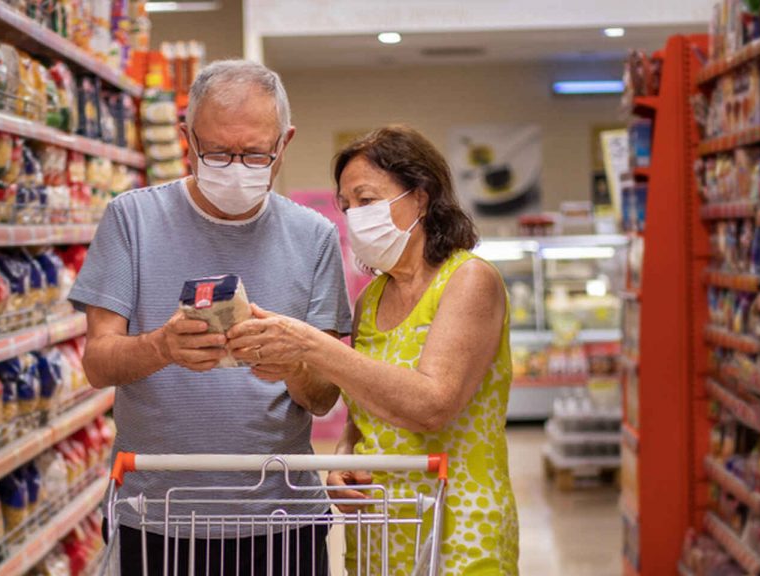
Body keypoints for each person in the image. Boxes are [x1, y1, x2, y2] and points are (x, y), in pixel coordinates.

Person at [69, 60, 351, 575]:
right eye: (217, 152)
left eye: (255, 154)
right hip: (157, 514)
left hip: (282, 516)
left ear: (284, 144)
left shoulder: (315, 237)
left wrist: (293, 362)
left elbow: (323, 395)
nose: (236, 167)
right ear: (186, 139)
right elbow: (98, 363)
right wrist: (161, 348)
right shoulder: (131, 220)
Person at [227, 125, 519, 575]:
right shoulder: (371, 299)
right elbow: (364, 414)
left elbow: (432, 405)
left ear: (420, 196)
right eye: (347, 206)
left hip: (456, 523)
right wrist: (342, 463)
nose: (354, 216)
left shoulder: (468, 281)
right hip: (380, 527)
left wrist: (312, 344)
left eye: (367, 200)